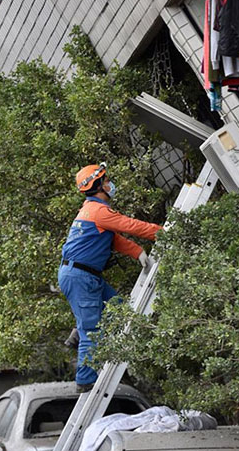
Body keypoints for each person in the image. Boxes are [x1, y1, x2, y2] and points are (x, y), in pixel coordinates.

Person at [59, 162, 163, 392]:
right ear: (97, 186)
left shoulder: (91, 210)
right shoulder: (99, 211)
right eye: (106, 180)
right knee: (93, 331)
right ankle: (85, 381)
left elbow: (112, 239)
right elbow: (131, 225)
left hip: (84, 275)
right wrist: (164, 233)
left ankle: (78, 332)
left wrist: (136, 251)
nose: (110, 184)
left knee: (118, 310)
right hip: (81, 276)